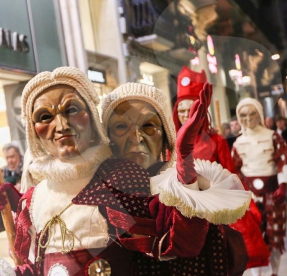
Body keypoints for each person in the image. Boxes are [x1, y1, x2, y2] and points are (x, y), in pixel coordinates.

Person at [0, 67, 250, 276]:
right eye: (45, 116)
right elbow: (35, 266)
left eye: (71, 110)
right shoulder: (35, 197)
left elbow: (176, 245)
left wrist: (184, 165)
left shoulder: (121, 183)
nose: (61, 126)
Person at [101, 82, 250, 275]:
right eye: (122, 126)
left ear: (165, 136)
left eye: (148, 126)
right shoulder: (102, 188)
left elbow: (187, 242)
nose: (136, 138)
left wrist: (185, 167)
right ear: (108, 137)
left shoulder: (170, 181)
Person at [173, 66, 269, 270]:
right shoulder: (170, 141)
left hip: (213, 211)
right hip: (182, 213)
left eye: (188, 109)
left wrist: (246, 205)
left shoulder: (215, 140)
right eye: (180, 109)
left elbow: (231, 176)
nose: (183, 115)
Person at [232, 98, 287, 276]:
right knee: (253, 237)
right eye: (243, 115)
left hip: (273, 192)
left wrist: (283, 184)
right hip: (251, 198)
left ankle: (275, 272)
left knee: (276, 236)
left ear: (260, 114)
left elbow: (283, 160)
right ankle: (258, 274)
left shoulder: (273, 136)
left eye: (252, 113)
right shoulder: (238, 143)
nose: (248, 118)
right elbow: (234, 171)